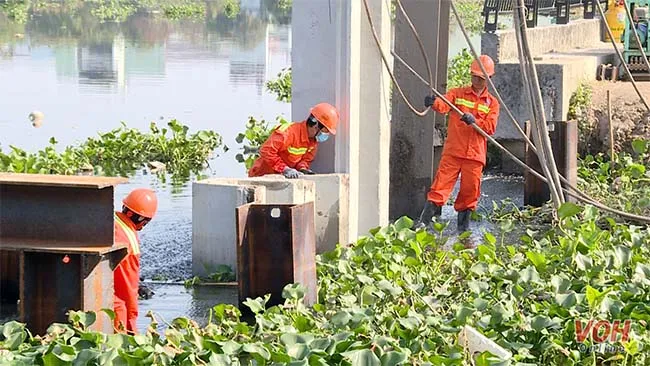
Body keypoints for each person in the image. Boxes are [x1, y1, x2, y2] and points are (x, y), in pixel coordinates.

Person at [417, 55, 500, 232]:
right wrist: (433, 103)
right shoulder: (458, 94)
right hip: (454, 151)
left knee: (469, 193)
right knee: (440, 187)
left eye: (481, 78)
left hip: (474, 155)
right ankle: (423, 224)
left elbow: (490, 127)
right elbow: (444, 104)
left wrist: (475, 121)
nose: (476, 80)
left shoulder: (492, 104)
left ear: (488, 79)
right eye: (475, 76)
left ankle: (463, 231)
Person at [248, 102, 339, 178]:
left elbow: (305, 160)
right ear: (316, 126)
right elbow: (266, 151)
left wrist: (303, 169)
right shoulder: (288, 132)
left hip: (280, 180)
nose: (326, 135)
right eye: (325, 131)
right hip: (261, 176)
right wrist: (284, 168)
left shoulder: (312, 143)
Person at [113, 188, 158, 334]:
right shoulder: (129, 240)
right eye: (145, 221)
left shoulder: (108, 218)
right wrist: (132, 329)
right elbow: (128, 289)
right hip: (113, 305)